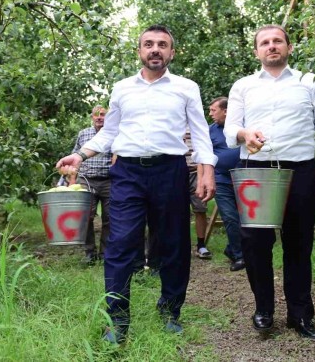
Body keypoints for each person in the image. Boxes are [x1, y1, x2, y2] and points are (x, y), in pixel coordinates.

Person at [56, 24, 216, 344]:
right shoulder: (122, 88)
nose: (155, 49)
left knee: (173, 244)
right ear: (139, 51)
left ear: (172, 52)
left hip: (170, 170)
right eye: (148, 44)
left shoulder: (186, 87)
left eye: (162, 44)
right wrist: (81, 155)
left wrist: (206, 169)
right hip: (127, 173)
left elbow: (200, 133)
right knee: (119, 244)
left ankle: (170, 311)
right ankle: (117, 319)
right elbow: (109, 133)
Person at [224, 25, 315, 339]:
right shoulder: (244, 86)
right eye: (264, 42)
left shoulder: (310, 83)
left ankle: (300, 315)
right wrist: (244, 134)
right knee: (255, 244)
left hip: (300, 172)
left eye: (277, 41)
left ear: (289, 47)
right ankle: (264, 308)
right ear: (256, 51)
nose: (271, 46)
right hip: (257, 171)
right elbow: (230, 131)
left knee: (298, 244)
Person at [68, 105, 113, 265]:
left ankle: (105, 253)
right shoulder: (83, 134)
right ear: (92, 117)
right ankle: (89, 253)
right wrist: (72, 180)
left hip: (109, 181)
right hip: (86, 180)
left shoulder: (113, 134)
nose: (99, 117)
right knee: (85, 216)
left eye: (103, 114)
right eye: (96, 115)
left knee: (110, 218)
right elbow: (76, 156)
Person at [207, 96, 244, 271]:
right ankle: (239, 256)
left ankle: (231, 249)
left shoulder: (242, 127)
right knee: (230, 217)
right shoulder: (210, 131)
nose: (210, 114)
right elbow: (205, 157)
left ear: (226, 111)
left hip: (244, 179)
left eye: (214, 110)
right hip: (221, 179)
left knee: (244, 218)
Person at [184, 130, 212, 259]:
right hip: (176, 171)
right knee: (175, 211)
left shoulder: (195, 125)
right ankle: (180, 245)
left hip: (196, 171)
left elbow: (203, 148)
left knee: (200, 209)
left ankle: (201, 245)